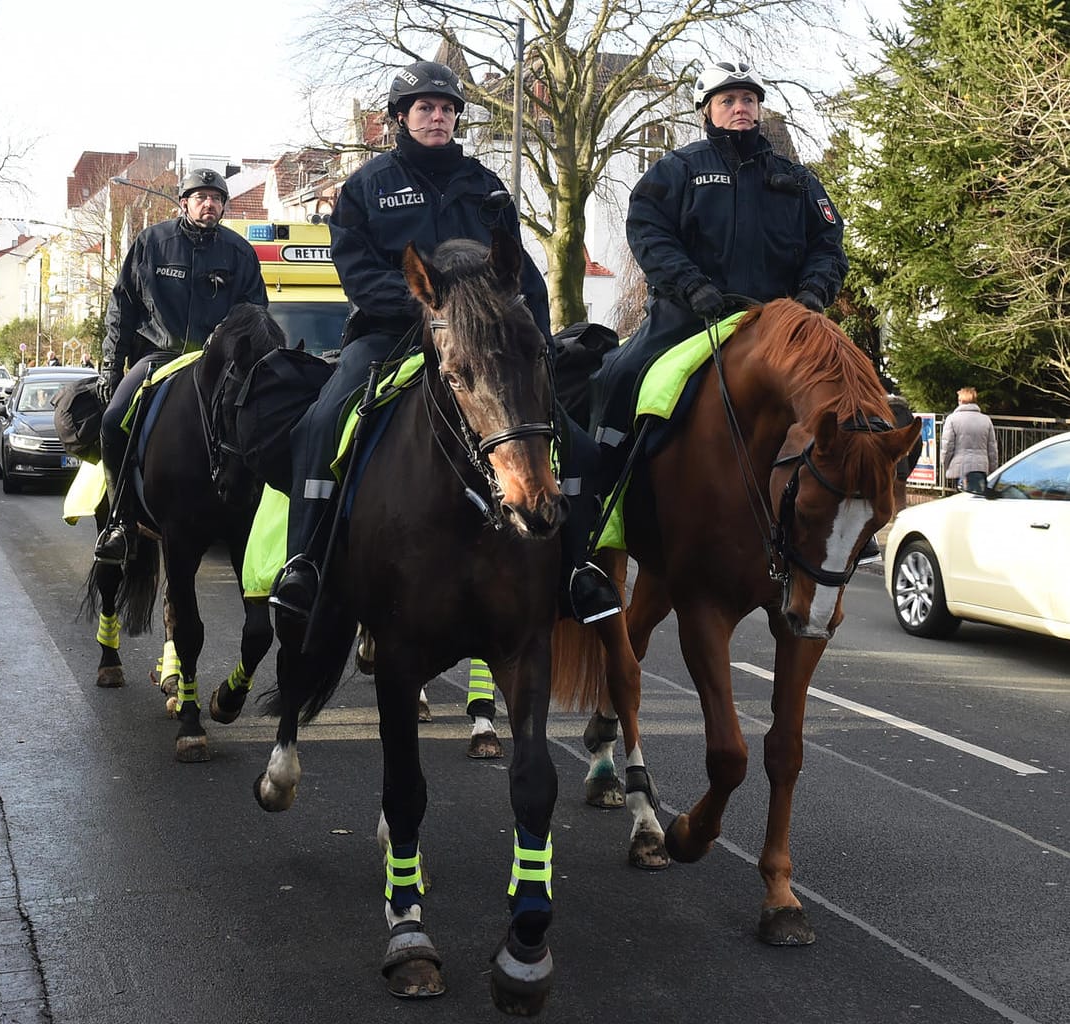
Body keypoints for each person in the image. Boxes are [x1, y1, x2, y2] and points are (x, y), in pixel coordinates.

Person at [269, 60, 552, 623]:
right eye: (424, 108)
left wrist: (539, 340)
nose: (437, 117)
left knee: (555, 415)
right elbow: (356, 270)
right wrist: (429, 309)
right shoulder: (367, 186)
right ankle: (304, 562)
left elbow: (514, 270)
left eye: (446, 109)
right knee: (321, 423)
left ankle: (573, 569)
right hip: (388, 335)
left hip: (481, 345)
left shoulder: (486, 186)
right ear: (401, 117)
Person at [569, 58, 848, 618]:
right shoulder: (678, 169)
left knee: (847, 397)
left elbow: (828, 245)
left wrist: (813, 296)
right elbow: (647, 229)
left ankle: (830, 526)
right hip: (685, 321)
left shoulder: (798, 180)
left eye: (748, 99)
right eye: (728, 100)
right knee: (618, 381)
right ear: (706, 111)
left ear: (760, 108)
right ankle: (594, 529)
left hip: (776, 329)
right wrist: (691, 286)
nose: (740, 107)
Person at [93, 166, 267, 561]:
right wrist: (111, 367)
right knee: (111, 421)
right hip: (160, 356)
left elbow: (257, 315)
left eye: (217, 198)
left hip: (219, 364)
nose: (210, 204)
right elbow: (122, 308)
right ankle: (121, 519)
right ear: (184, 203)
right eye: (201, 197)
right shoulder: (151, 243)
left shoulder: (240, 253)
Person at [940, 386, 999, 491]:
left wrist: (944, 463)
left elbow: (947, 446)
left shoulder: (952, 419)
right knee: (978, 499)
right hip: (981, 467)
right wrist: (993, 468)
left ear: (960, 400)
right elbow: (992, 449)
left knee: (964, 499)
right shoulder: (986, 420)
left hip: (961, 467)